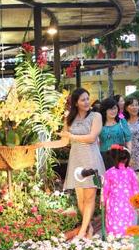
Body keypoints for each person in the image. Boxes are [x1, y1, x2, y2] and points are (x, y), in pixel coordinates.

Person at [41, 88, 104, 239]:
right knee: (81, 199)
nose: (87, 102)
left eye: (88, 98)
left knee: (90, 197)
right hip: (76, 160)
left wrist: (72, 136)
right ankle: (87, 227)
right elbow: (64, 141)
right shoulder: (69, 118)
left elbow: (91, 138)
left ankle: (82, 232)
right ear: (75, 102)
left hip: (91, 159)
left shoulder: (96, 116)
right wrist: (43, 144)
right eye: (83, 99)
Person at [101, 145, 139, 236]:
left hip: (113, 203)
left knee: (113, 219)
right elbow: (135, 188)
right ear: (127, 159)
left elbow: (105, 189)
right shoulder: (131, 172)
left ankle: (113, 237)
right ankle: (126, 237)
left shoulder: (109, 172)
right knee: (126, 220)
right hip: (127, 202)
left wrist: (103, 200)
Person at [98, 98, 131, 168]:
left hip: (121, 156)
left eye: (115, 108)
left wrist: (129, 155)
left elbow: (128, 139)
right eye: (110, 109)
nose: (113, 111)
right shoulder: (99, 123)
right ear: (104, 110)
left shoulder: (122, 121)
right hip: (104, 157)